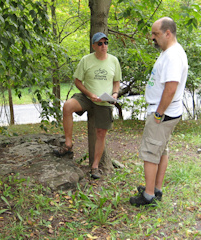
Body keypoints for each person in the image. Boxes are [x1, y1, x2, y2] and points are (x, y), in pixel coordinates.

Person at [130, 17, 188, 206]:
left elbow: (171, 88)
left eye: (155, 34)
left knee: (150, 152)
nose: (152, 38)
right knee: (161, 151)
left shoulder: (173, 56)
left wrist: (158, 113)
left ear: (168, 33)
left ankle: (148, 196)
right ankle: (156, 189)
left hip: (162, 114)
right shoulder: (169, 52)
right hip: (166, 112)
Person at [53, 32, 121, 179]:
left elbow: (116, 81)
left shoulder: (114, 61)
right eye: (100, 43)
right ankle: (68, 145)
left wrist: (115, 94)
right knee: (67, 106)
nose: (104, 46)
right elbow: (77, 81)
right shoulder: (86, 60)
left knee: (101, 133)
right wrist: (89, 94)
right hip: (87, 97)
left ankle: (95, 166)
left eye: (106, 43)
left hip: (104, 101)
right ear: (94, 46)